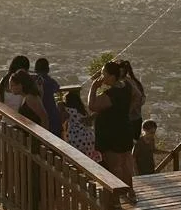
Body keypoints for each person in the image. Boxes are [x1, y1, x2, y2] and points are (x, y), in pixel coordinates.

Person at [88, 60, 136, 199]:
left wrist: (93, 87)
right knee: (125, 163)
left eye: (103, 74)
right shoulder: (126, 86)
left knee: (114, 165)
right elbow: (137, 96)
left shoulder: (112, 94)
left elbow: (92, 105)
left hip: (111, 133)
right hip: (124, 128)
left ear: (112, 76)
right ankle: (130, 192)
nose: (101, 76)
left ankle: (115, 198)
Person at [63, 86, 98, 159]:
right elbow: (89, 123)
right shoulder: (82, 111)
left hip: (76, 137)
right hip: (88, 137)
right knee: (88, 158)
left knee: (77, 158)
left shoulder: (68, 110)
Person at [33, 57, 64, 136]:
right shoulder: (50, 81)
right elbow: (56, 87)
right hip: (52, 111)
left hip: (38, 110)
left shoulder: (34, 81)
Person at [120, 59, 146, 142]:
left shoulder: (124, 83)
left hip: (129, 120)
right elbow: (143, 99)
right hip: (137, 119)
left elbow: (138, 97)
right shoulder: (133, 81)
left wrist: (127, 112)